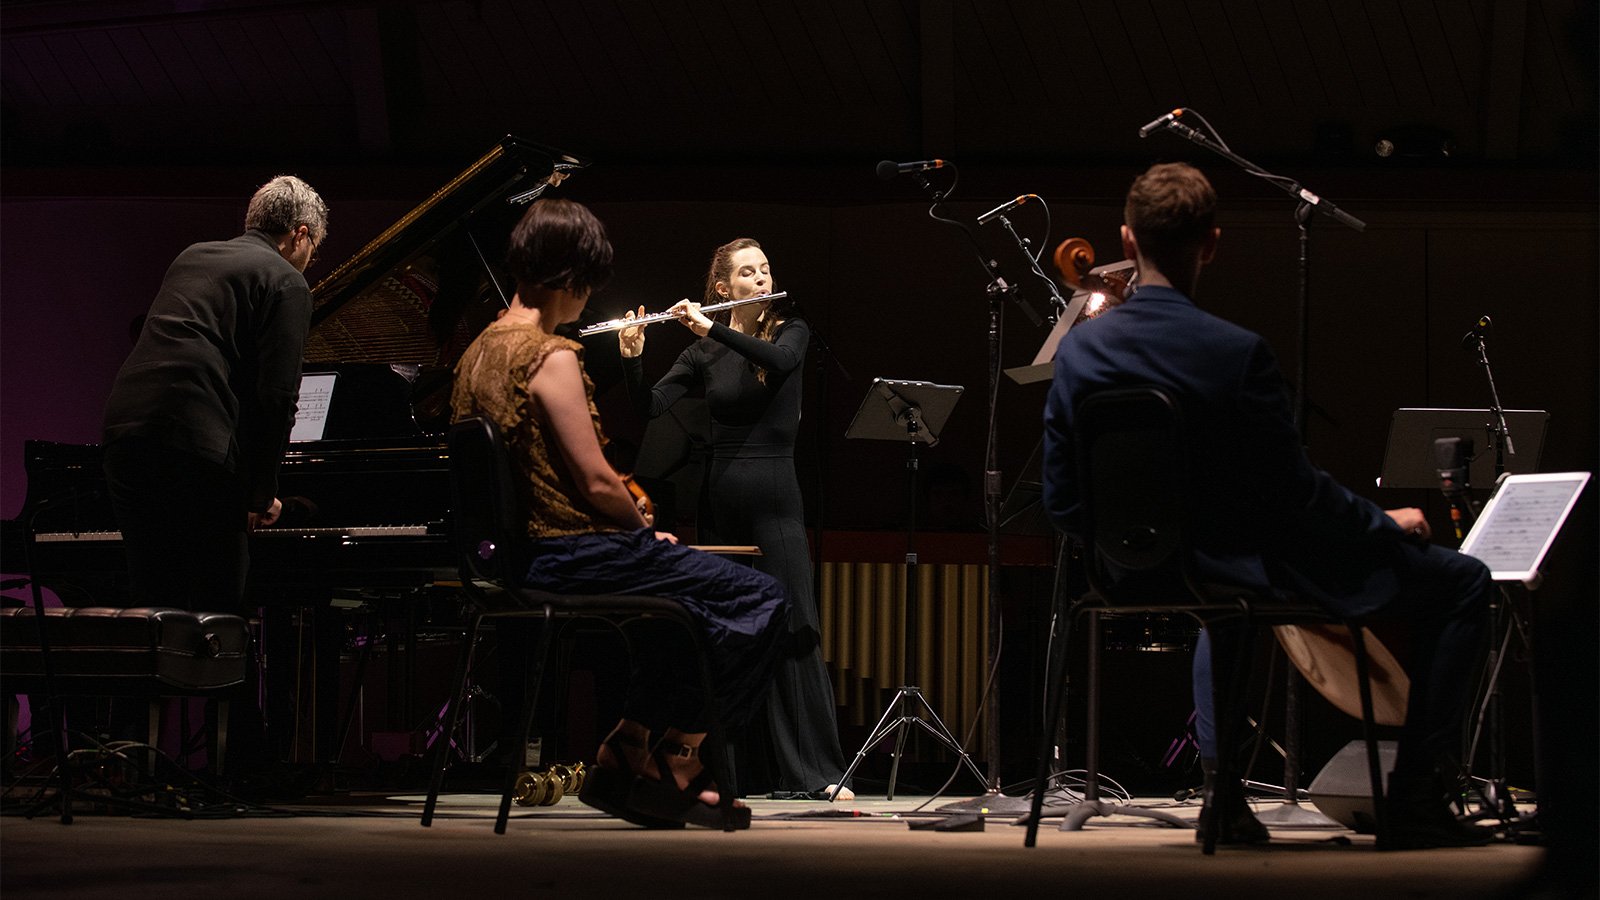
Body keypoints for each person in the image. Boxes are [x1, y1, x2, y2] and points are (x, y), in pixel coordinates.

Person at [1041, 163, 1493, 850]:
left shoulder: (1079, 354)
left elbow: (1062, 498)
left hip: (1127, 572)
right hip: (1237, 568)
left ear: (1128, 242)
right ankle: (1417, 802)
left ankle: (1224, 801)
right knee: (1463, 583)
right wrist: (1383, 523)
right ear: (1213, 243)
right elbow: (1297, 497)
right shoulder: (1235, 352)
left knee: (1226, 601)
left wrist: (1125, 544)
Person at [451, 200, 789, 830]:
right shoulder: (548, 356)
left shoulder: (476, 352)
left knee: (678, 617)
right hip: (565, 555)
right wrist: (643, 533)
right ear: (573, 278)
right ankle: (681, 759)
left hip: (512, 556)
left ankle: (626, 747)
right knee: (762, 600)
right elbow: (599, 481)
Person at [617, 238, 850, 801]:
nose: (763, 279)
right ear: (723, 288)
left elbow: (780, 363)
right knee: (730, 636)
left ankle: (815, 774)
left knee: (794, 631)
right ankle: (731, 773)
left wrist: (710, 329)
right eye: (749, 273)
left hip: (775, 498)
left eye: (766, 269)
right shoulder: (702, 353)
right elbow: (647, 406)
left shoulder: (789, 329)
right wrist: (631, 356)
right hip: (720, 502)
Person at [103, 174, 326, 612]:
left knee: (154, 603)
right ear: (300, 234)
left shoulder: (193, 256)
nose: (307, 261)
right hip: (194, 445)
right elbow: (276, 396)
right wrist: (260, 494)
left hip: (124, 435)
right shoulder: (286, 280)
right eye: (312, 251)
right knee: (217, 611)